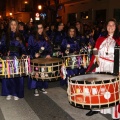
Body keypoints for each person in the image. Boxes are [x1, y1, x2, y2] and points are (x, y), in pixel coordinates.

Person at [86, 18, 120, 120]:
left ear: (116, 27)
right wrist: (96, 58)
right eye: (109, 25)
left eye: (113, 25)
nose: (110, 27)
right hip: (100, 65)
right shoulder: (101, 38)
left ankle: (113, 111)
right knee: (98, 87)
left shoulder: (118, 39)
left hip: (112, 66)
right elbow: (95, 49)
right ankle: (96, 107)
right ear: (106, 27)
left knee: (111, 88)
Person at [2, 19, 27, 100]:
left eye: (15, 24)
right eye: (12, 24)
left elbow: (23, 47)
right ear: (10, 26)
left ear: (17, 26)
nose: (13, 26)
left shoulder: (20, 36)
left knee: (17, 76)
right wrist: (5, 51)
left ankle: (16, 93)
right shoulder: (5, 36)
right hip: (8, 58)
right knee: (8, 76)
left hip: (17, 57)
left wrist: (23, 53)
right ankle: (9, 92)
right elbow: (2, 47)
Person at [28, 22, 52, 96]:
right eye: (38, 28)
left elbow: (49, 47)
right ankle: (35, 88)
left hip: (44, 57)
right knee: (36, 72)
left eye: (41, 28)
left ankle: (42, 86)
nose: (40, 29)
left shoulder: (46, 37)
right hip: (36, 57)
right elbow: (29, 48)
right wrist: (34, 54)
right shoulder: (32, 37)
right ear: (36, 29)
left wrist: (49, 54)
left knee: (43, 72)